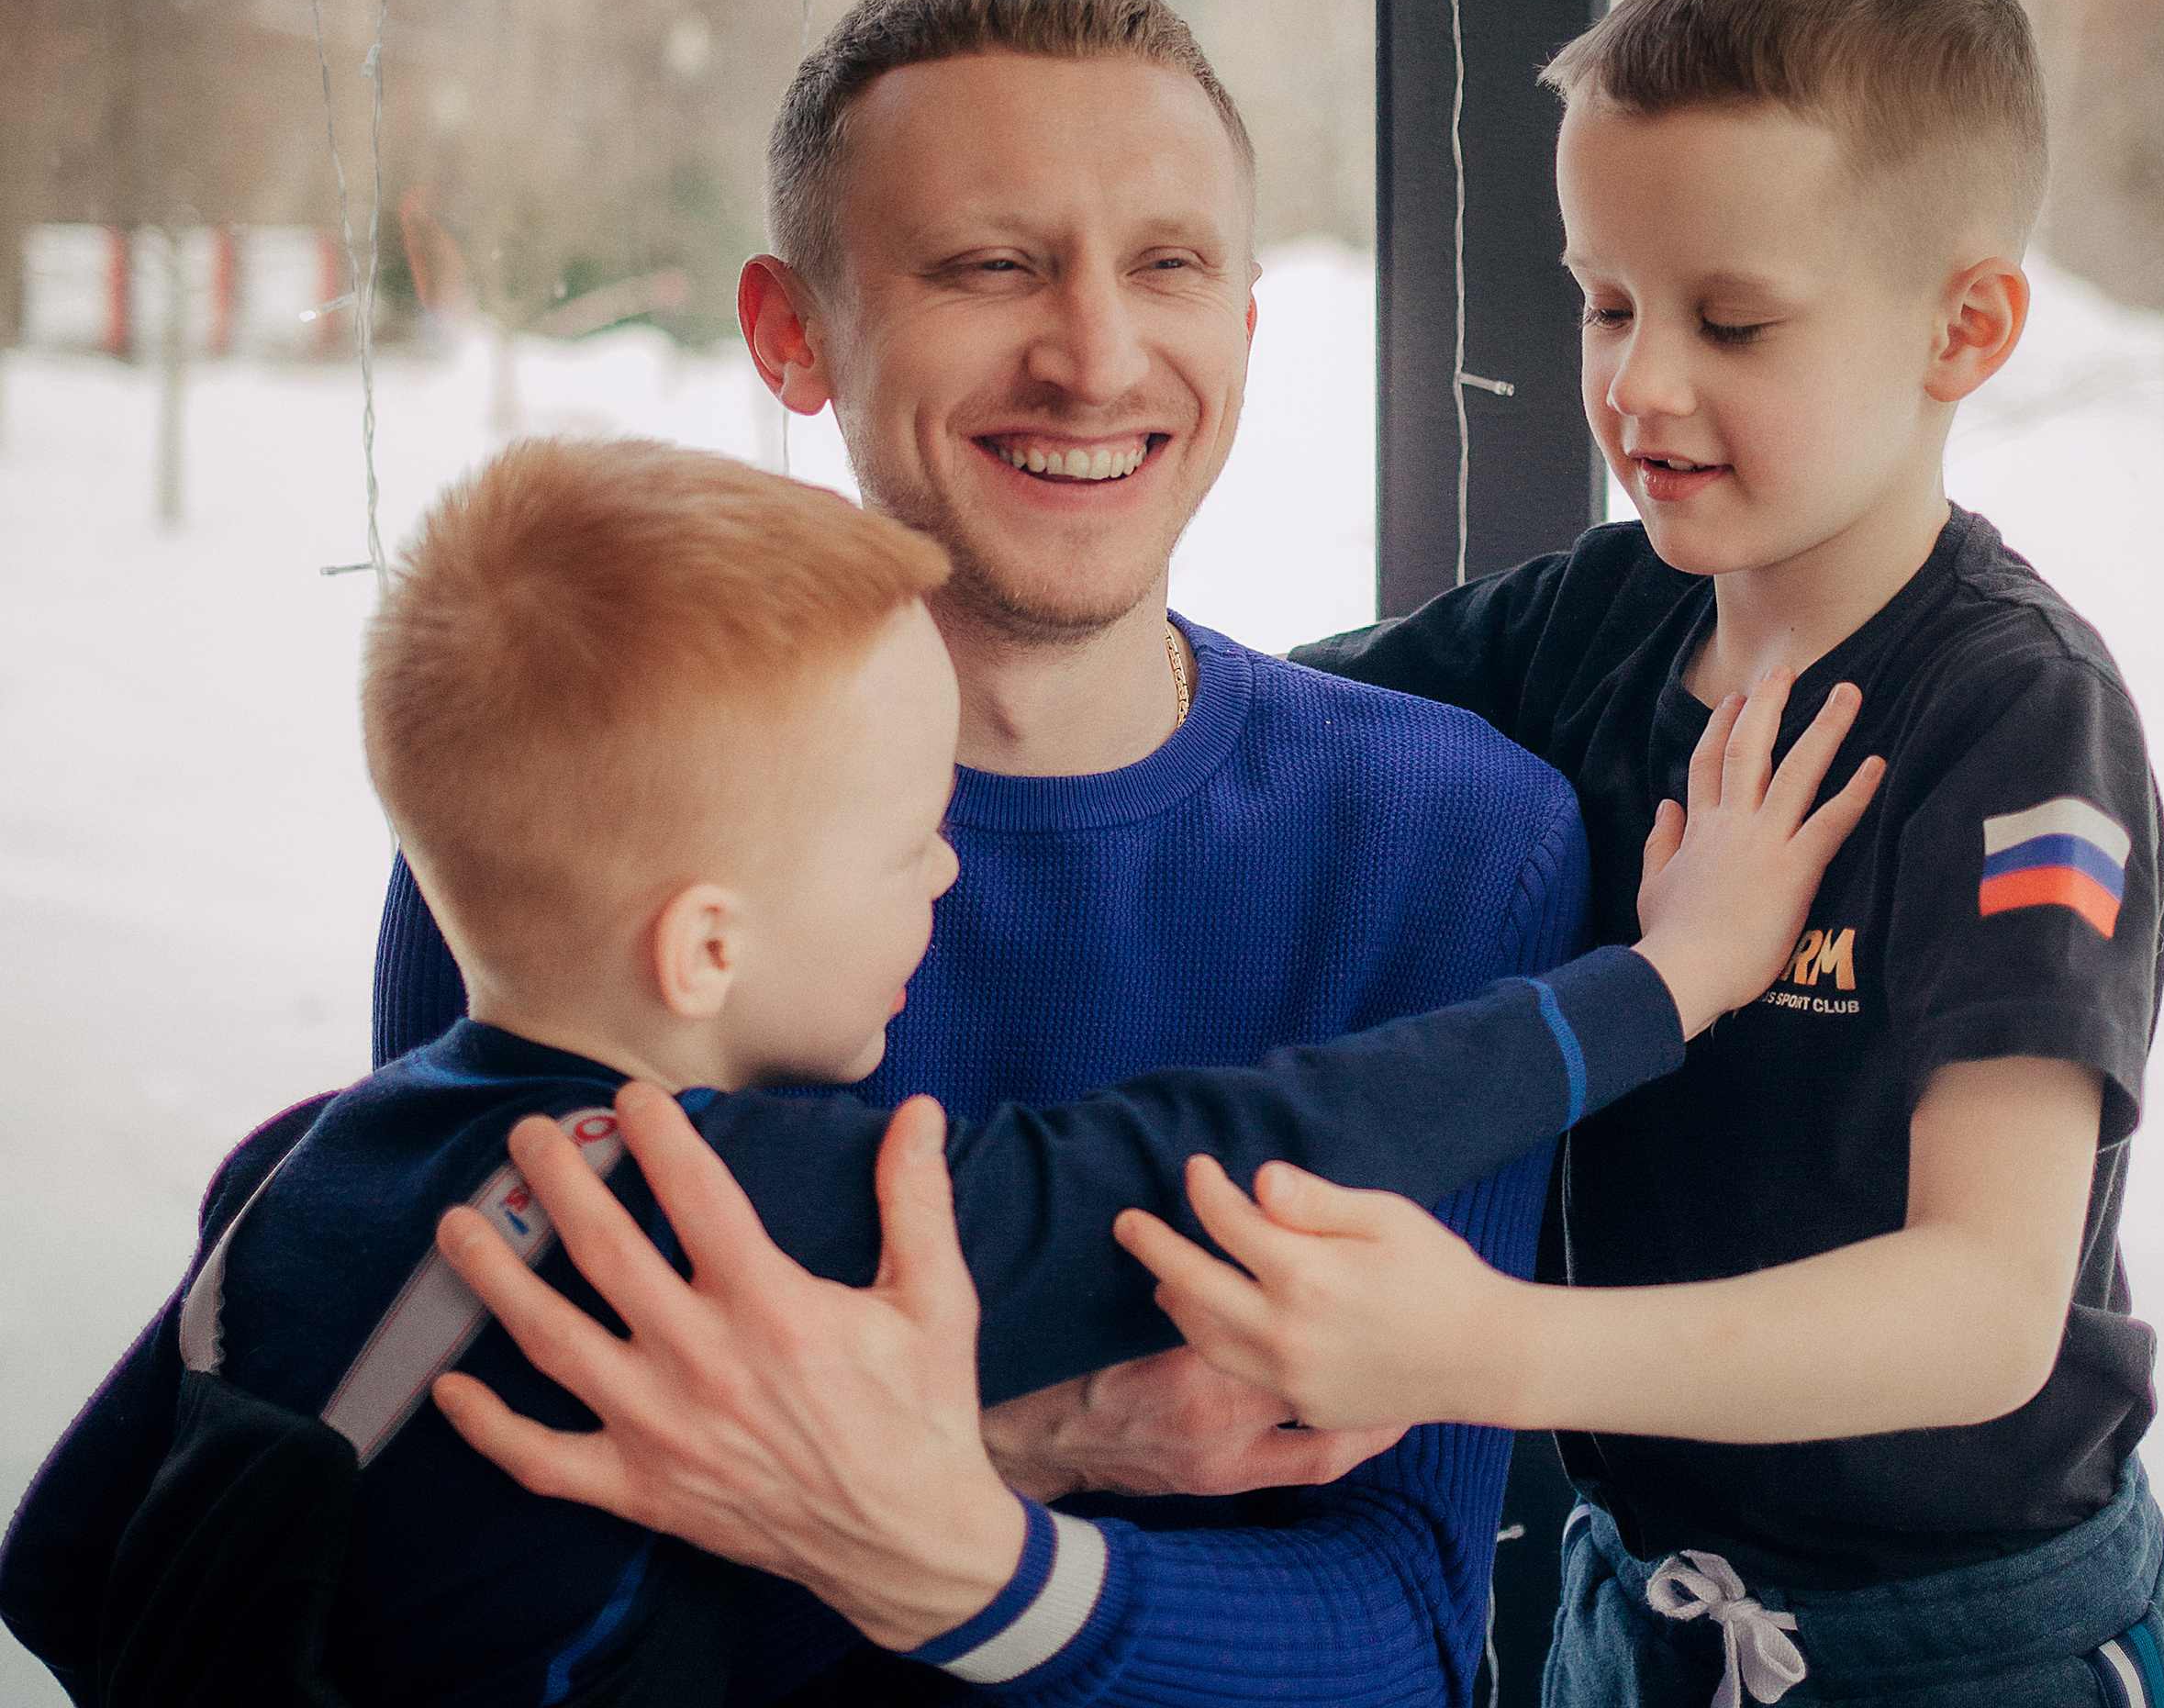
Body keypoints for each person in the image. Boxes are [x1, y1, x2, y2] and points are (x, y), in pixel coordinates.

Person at [0, 435, 1872, 1708]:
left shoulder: (290, 1167)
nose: (949, 874)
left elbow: (64, 1563)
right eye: (907, 842)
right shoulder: (754, 1199)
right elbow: (1240, 1145)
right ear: (705, 947)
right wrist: (1665, 981)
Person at [361, 0, 1668, 1704]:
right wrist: (1035, 1452)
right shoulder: (589, 829)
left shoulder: (1453, 842)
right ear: (793, 333)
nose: (1097, 358)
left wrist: (952, 1543)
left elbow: (1399, 1629)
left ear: (1246, 321)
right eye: (992, 266)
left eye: (1169, 267)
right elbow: (476, 1562)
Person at [1114, 0, 2164, 1708]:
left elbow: (1982, 1311)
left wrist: (1479, 1345)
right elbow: (1243, 723)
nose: (1638, 383)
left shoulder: (2015, 719)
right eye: (1606, 303)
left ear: (1965, 326)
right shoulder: (1592, 620)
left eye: (1730, 320)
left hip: (1965, 1639)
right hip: (1645, 1607)